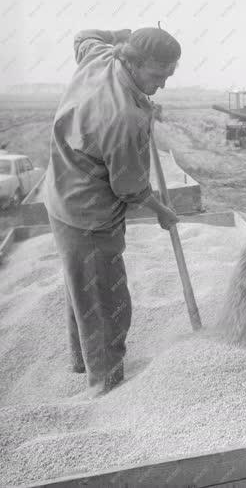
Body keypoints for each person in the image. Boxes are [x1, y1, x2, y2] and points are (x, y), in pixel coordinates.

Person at [44, 27, 181, 396]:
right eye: (156, 76)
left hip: (59, 192)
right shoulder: (124, 118)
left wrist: (123, 34)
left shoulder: (100, 55)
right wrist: (162, 212)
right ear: (132, 62)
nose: (163, 85)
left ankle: (83, 363)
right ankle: (105, 386)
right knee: (107, 301)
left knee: (82, 286)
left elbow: (83, 36)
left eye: (169, 76)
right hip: (88, 213)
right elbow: (130, 188)